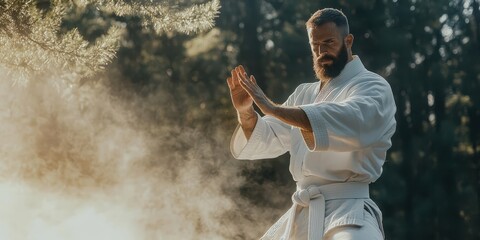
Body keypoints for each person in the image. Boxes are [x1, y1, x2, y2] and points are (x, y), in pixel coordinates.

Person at [226, 8, 396, 240]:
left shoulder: (373, 87)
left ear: (348, 41)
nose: (321, 52)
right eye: (315, 45)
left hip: (348, 211)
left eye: (328, 42)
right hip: (302, 211)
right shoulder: (304, 93)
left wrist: (273, 108)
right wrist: (246, 112)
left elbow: (351, 120)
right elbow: (270, 135)